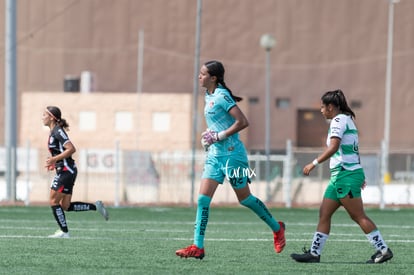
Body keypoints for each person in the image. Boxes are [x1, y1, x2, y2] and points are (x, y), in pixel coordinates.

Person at [175, 60, 285, 260]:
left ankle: (277, 228)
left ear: (213, 78)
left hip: (233, 156)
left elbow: (242, 122)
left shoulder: (222, 96)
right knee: (202, 199)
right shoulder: (208, 96)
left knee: (245, 199)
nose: (199, 76)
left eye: (203, 74)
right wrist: (209, 135)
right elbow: (219, 124)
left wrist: (219, 136)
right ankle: (197, 247)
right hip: (215, 156)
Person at [290, 89, 393, 264]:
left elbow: (333, 148)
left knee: (358, 216)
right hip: (343, 176)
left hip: (345, 175)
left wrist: (313, 163)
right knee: (324, 214)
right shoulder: (347, 120)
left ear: (331, 107)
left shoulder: (338, 121)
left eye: (323, 107)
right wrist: (359, 173)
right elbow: (352, 150)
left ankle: (383, 250)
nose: (321, 110)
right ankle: (314, 254)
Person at [43, 106, 109, 238]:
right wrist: (54, 162)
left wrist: (54, 159)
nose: (42, 117)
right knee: (65, 206)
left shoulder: (57, 131)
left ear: (52, 117)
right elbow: (61, 151)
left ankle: (64, 232)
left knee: (53, 201)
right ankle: (96, 206)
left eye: (44, 115)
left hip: (66, 171)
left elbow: (71, 149)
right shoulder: (53, 132)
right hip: (66, 170)